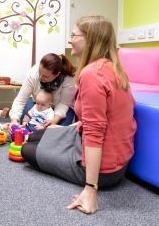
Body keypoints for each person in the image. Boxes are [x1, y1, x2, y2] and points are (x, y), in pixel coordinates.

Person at [21, 15, 137, 214]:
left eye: (74, 35)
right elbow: (105, 118)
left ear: (89, 39)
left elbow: (95, 133)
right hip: (116, 156)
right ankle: (60, 139)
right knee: (34, 136)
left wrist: (91, 190)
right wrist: (68, 128)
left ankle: (89, 180)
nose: (69, 40)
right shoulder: (114, 68)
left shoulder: (91, 75)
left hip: (105, 170)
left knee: (26, 150)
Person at [9, 53, 76, 128]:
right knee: (26, 120)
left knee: (60, 129)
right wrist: (14, 120)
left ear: (57, 74)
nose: (41, 77)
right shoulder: (33, 73)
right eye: (40, 73)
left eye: (45, 76)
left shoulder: (68, 78)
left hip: (58, 106)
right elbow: (20, 100)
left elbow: (64, 103)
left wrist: (54, 121)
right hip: (37, 104)